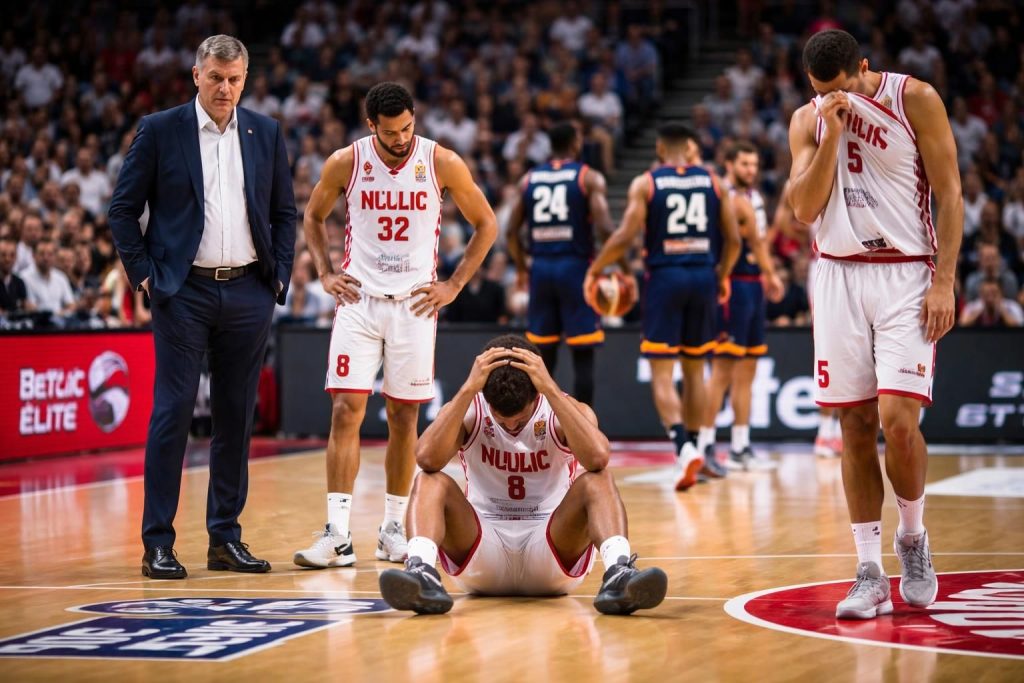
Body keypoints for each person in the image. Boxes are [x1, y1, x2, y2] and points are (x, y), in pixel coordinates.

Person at [788, 30, 962, 619]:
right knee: (855, 428)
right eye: (820, 93)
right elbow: (802, 210)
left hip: (906, 274)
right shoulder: (807, 121)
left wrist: (945, 279)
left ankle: (912, 538)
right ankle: (868, 569)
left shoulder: (916, 98)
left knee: (898, 422)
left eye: (841, 90)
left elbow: (952, 192)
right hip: (838, 276)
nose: (834, 100)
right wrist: (831, 130)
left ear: (864, 67)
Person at [109, 34, 296, 579]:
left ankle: (224, 538)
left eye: (234, 79)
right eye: (215, 77)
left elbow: (285, 213)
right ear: (196, 75)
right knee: (172, 414)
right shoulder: (161, 129)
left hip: (247, 291)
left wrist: (278, 277)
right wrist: (144, 275)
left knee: (237, 420)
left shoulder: (265, 131)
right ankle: (158, 544)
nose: (225, 88)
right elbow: (124, 211)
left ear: (245, 79)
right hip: (182, 291)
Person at [295, 82, 497, 569]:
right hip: (359, 301)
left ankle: (391, 530)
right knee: (346, 411)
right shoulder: (346, 161)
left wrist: (453, 285)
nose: (402, 138)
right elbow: (313, 215)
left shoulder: (441, 161)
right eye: (391, 133)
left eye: (408, 127)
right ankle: (338, 535)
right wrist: (323, 272)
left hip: (414, 305)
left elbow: (486, 224)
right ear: (371, 127)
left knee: (404, 418)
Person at [378, 334, 667, 616]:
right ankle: (421, 571)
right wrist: (467, 389)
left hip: (551, 546)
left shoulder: (560, 408)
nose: (512, 427)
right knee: (429, 478)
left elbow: (598, 457)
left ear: (537, 392)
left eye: (521, 419)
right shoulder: (470, 407)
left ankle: (618, 572)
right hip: (481, 547)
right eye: (502, 420)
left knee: (598, 478)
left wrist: (551, 390)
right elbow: (426, 457)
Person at [585, 123, 740, 491]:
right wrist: (722, 275)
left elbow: (624, 235)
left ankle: (683, 447)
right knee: (694, 370)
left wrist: (595, 268)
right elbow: (733, 239)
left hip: (664, 279)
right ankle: (700, 447)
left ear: (658, 148)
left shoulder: (647, 183)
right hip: (703, 276)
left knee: (661, 372)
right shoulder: (714, 181)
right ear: (689, 148)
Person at [506, 122, 624, 406]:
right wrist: (621, 266)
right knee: (583, 356)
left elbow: (511, 232)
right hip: (576, 269)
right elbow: (607, 228)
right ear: (575, 144)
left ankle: (536, 428)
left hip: (542, 269)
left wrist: (523, 268)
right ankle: (583, 432)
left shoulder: (529, 179)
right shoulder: (588, 177)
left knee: (542, 358)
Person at [699, 142, 783, 473]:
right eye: (745, 164)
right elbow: (752, 242)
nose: (751, 169)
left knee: (748, 371)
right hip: (732, 286)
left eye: (754, 164)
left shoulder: (754, 197)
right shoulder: (725, 196)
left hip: (752, 287)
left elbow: (760, 238)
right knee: (721, 371)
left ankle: (740, 445)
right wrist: (772, 273)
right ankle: (704, 444)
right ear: (730, 164)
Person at [771, 180, 842, 458]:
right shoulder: (813, 178)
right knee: (830, 349)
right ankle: (826, 432)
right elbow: (782, 222)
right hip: (825, 267)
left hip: (863, 267)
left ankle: (840, 430)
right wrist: (790, 194)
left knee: (854, 351)